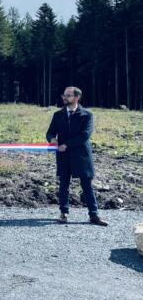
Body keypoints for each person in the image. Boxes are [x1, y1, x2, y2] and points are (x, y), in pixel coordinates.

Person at [46, 87, 108, 226]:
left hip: (81, 156)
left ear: (76, 97)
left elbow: (85, 135)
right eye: (64, 95)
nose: (64, 97)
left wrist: (66, 145)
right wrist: (52, 140)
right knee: (64, 185)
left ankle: (94, 215)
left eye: (68, 95)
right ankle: (63, 213)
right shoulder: (58, 115)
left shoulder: (87, 115)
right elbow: (50, 133)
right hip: (63, 156)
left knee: (87, 186)